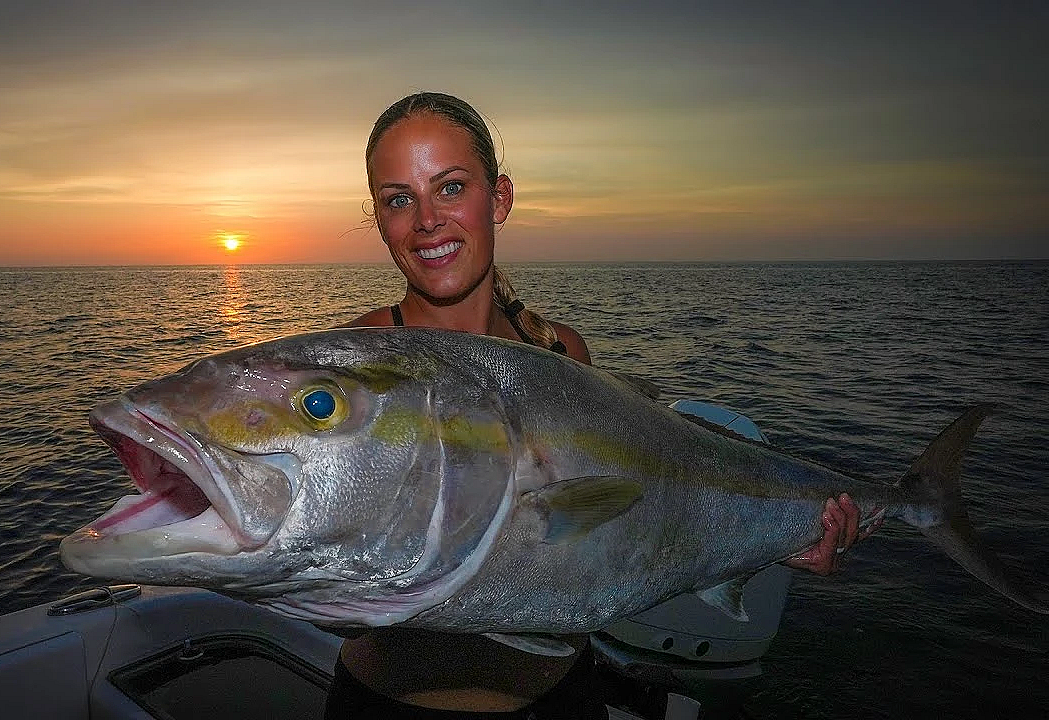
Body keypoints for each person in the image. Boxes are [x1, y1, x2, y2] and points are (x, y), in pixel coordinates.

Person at [327, 91, 870, 719]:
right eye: (399, 200)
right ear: (380, 219)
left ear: (497, 198)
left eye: (450, 188)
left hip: (559, 699)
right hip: (387, 705)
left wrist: (773, 536)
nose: (426, 220)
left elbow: (612, 528)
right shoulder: (358, 371)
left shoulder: (561, 353)